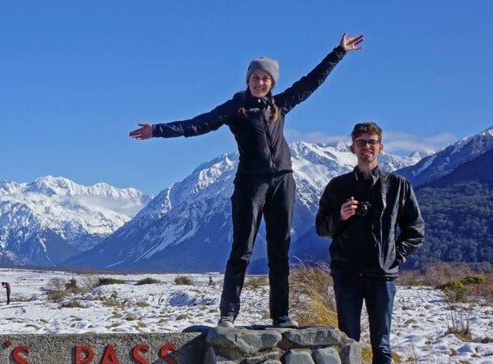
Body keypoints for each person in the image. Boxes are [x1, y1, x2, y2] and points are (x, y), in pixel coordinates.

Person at [130, 34, 364, 328]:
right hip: (250, 186)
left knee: (280, 251)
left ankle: (281, 315)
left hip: (283, 182)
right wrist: (159, 130)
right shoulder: (236, 107)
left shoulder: (279, 106)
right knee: (242, 249)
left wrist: (339, 52)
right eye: (255, 77)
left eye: (265, 78)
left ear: (272, 82)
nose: (259, 82)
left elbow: (310, 83)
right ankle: (228, 313)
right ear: (248, 80)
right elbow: (197, 124)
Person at [315, 122, 425, 364]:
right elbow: (321, 228)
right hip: (347, 274)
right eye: (361, 142)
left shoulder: (399, 187)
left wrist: (396, 255)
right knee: (349, 340)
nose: (367, 147)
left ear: (381, 147)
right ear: (352, 148)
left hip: (382, 276)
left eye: (372, 142)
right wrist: (340, 216)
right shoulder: (337, 187)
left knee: (382, 344)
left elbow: (415, 230)